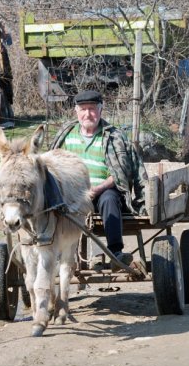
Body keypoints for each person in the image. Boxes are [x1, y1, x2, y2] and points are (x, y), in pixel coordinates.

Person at [50, 90, 148, 271]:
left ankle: (115, 253)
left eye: (92, 109)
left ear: (101, 110)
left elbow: (124, 172)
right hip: (72, 195)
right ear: (76, 112)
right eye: (83, 109)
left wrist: (98, 188)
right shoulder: (66, 136)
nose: (88, 114)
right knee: (52, 206)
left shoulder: (114, 137)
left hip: (104, 191)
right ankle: (55, 253)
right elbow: (52, 167)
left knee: (110, 199)